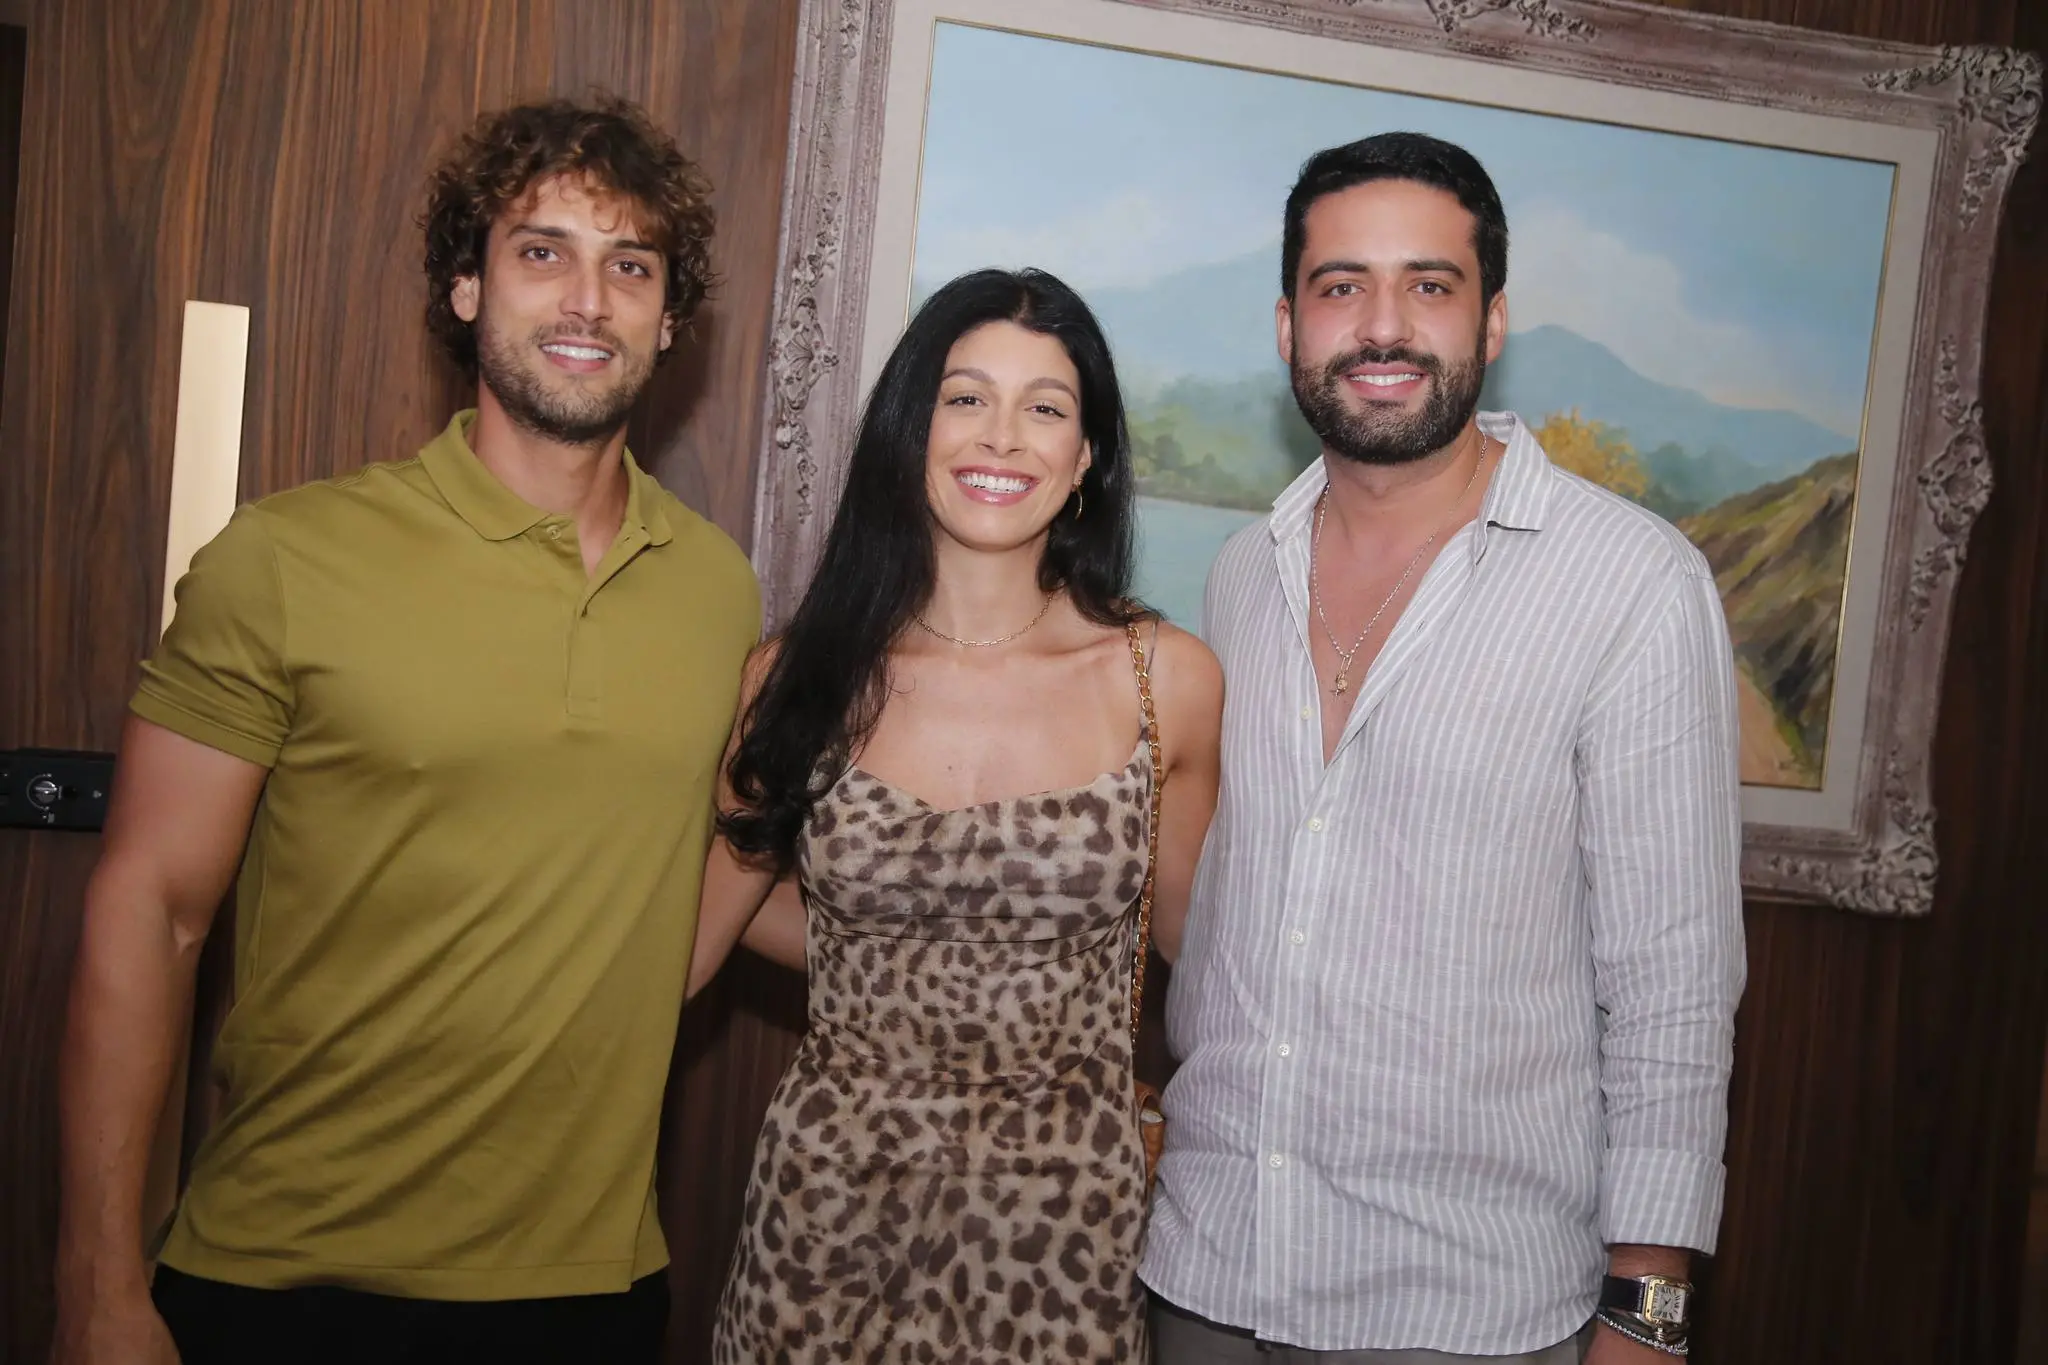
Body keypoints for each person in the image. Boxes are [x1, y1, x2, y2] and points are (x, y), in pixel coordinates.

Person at [51, 97, 760, 1365]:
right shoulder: (287, 557)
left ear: (669, 319)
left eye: (630, 266)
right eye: (540, 251)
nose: (587, 300)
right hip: (290, 1277)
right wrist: (97, 1284)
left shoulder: (716, 591)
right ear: (465, 288)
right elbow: (150, 912)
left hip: (593, 1287)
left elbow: (674, 913)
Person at [1141, 132, 1746, 1364]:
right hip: (1206, 1269)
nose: (1382, 326)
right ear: (1286, 326)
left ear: (1491, 319)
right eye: (1340, 286)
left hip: (1467, 1308)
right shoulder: (1242, 575)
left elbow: (1672, 982)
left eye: (1427, 285)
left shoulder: (1632, 583)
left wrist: (1649, 1313)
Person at [683, 267, 1224, 1363]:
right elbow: (697, 936)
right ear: (910, 428)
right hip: (822, 1224)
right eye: (966, 397)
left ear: (1087, 456)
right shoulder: (797, 676)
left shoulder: (1165, 680)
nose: (1002, 437)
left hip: (1062, 1237)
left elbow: (1208, 966)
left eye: (1045, 408)